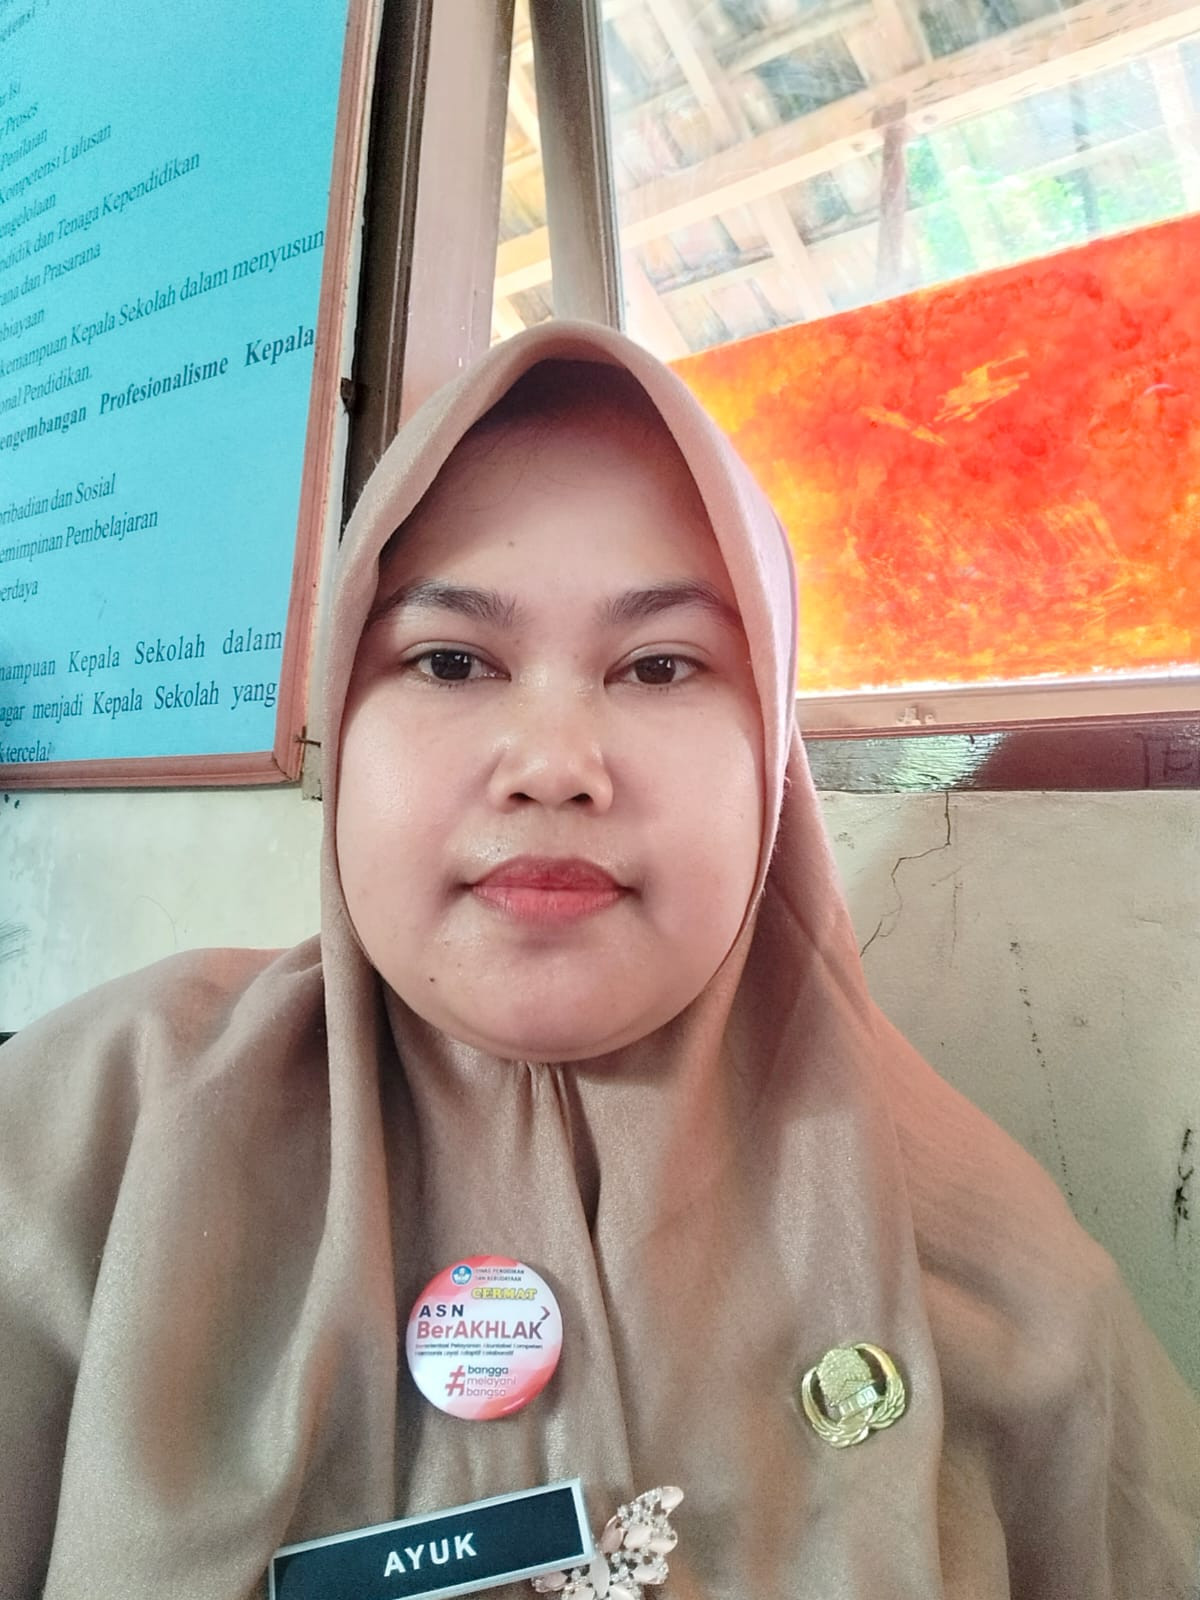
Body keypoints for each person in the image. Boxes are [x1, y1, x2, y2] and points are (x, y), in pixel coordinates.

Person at [1, 322, 1197, 1600]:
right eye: (450, 660)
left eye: (661, 665)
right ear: (342, 715)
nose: (556, 764)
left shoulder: (1008, 1288)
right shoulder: (94, 1132)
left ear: (770, 759)